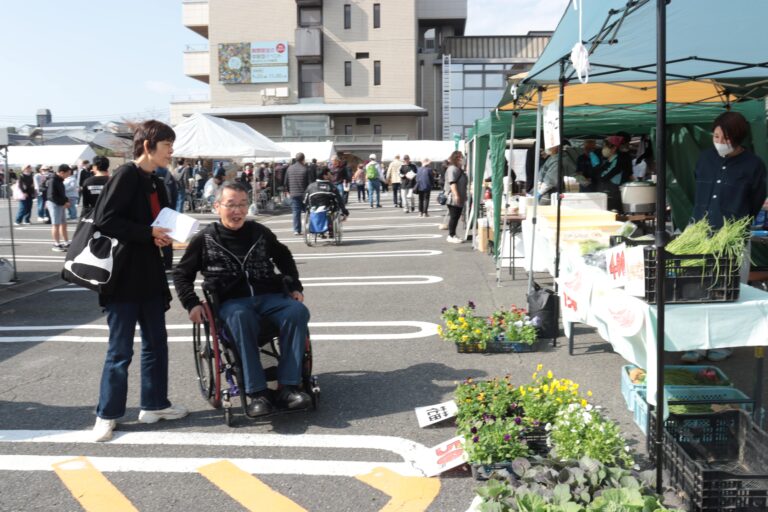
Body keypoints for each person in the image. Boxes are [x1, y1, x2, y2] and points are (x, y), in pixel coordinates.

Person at [174, 182, 312, 417]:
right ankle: (256, 392)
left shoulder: (259, 232)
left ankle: (288, 387)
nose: (237, 211)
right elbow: (181, 273)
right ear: (217, 206)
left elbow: (283, 255)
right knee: (241, 317)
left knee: (297, 312)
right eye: (230, 205)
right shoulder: (206, 238)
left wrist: (294, 285)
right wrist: (192, 303)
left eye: (242, 205)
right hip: (231, 303)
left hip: (269, 296)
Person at [90, 120, 187, 442]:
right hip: (122, 276)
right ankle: (107, 414)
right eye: (167, 146)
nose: (171, 152)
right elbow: (106, 220)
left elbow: (155, 223)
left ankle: (154, 405)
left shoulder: (156, 181)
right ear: (148, 145)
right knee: (120, 351)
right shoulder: (126, 175)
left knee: (156, 344)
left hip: (150, 273)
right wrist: (147, 233)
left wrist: (161, 235)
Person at [681, 111, 768, 364]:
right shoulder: (705, 158)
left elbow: (753, 203)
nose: (718, 141)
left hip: (732, 238)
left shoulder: (753, 165)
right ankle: (696, 344)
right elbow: (696, 188)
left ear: (737, 139)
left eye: (724, 137)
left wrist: (734, 225)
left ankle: (723, 343)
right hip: (699, 233)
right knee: (695, 291)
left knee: (727, 292)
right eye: (715, 135)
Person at [304, 167, 350, 237]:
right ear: (324, 176)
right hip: (328, 210)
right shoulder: (332, 187)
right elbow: (340, 201)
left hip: (314, 210)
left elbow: (305, 201)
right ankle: (330, 228)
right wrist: (344, 211)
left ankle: (319, 229)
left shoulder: (310, 186)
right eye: (329, 174)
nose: (331, 175)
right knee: (332, 209)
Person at [592, 135, 632, 211]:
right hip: (607, 193)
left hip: (613, 195)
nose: (604, 149)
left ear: (614, 148)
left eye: (607, 146)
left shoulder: (618, 161)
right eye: (604, 146)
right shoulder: (608, 160)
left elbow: (604, 177)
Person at [444, 150, 468, 244]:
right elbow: (452, 183)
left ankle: (453, 234)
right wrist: (457, 195)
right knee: (454, 216)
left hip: (459, 196)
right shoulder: (452, 169)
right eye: (461, 157)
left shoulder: (458, 169)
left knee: (456, 216)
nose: (463, 159)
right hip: (453, 197)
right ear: (457, 158)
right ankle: (451, 235)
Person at [46, 164, 72, 251]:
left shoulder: (59, 180)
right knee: (56, 224)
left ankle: (66, 242)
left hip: (60, 204)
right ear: (61, 172)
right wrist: (63, 202)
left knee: (63, 224)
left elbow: (61, 193)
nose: (68, 176)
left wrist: (66, 201)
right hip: (54, 204)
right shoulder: (53, 180)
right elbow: (51, 196)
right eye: (67, 174)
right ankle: (56, 244)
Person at [284, 152, 310, 235]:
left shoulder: (289, 168)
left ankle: (296, 230)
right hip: (304, 194)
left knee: (296, 212)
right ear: (303, 159)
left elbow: (286, 182)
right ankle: (310, 227)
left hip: (294, 194)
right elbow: (309, 183)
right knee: (308, 211)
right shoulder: (305, 169)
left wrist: (289, 190)